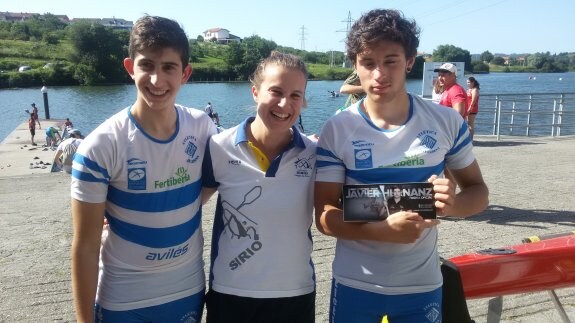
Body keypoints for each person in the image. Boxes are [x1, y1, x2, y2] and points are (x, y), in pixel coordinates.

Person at [314, 9, 489, 323]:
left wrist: (450, 205)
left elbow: (478, 193)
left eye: (391, 61)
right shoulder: (337, 129)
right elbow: (325, 217)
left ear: (410, 61)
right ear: (355, 65)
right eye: (368, 63)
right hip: (356, 282)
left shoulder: (445, 121)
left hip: (421, 285)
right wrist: (381, 231)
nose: (379, 74)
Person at [70, 15, 217, 322]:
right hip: (123, 298)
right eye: (146, 65)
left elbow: (215, 181)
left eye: (168, 68)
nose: (156, 80)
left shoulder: (203, 128)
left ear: (185, 73)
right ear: (129, 68)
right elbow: (84, 247)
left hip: (185, 289)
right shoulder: (100, 146)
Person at [202, 51, 316, 323]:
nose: (284, 103)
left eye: (295, 95)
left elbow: (350, 199)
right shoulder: (219, 147)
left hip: (295, 293)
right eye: (275, 91)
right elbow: (187, 204)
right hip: (231, 292)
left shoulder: (315, 154)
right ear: (255, 91)